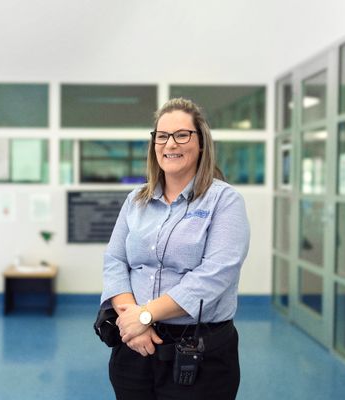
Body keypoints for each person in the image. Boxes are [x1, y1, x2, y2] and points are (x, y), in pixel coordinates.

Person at [100, 98, 250, 400]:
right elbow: (115, 260)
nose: (171, 144)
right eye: (162, 135)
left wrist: (145, 315)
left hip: (198, 352)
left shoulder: (224, 201)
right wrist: (134, 321)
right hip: (134, 346)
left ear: (201, 143)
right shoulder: (136, 201)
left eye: (182, 134)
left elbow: (215, 274)